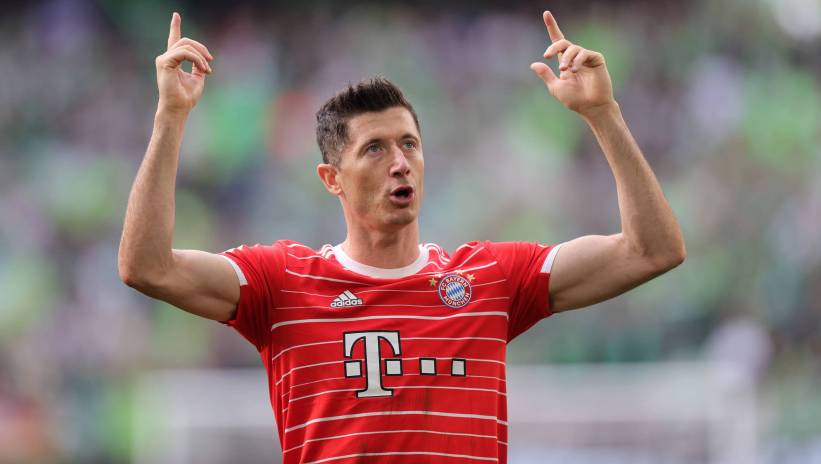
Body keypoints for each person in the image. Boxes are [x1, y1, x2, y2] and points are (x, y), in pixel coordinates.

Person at [118, 10, 685, 464]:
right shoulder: (282, 284)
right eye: (375, 148)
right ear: (331, 179)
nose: (400, 162)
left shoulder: (488, 279)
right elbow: (147, 267)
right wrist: (171, 116)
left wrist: (603, 114)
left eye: (409, 144)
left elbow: (652, 250)